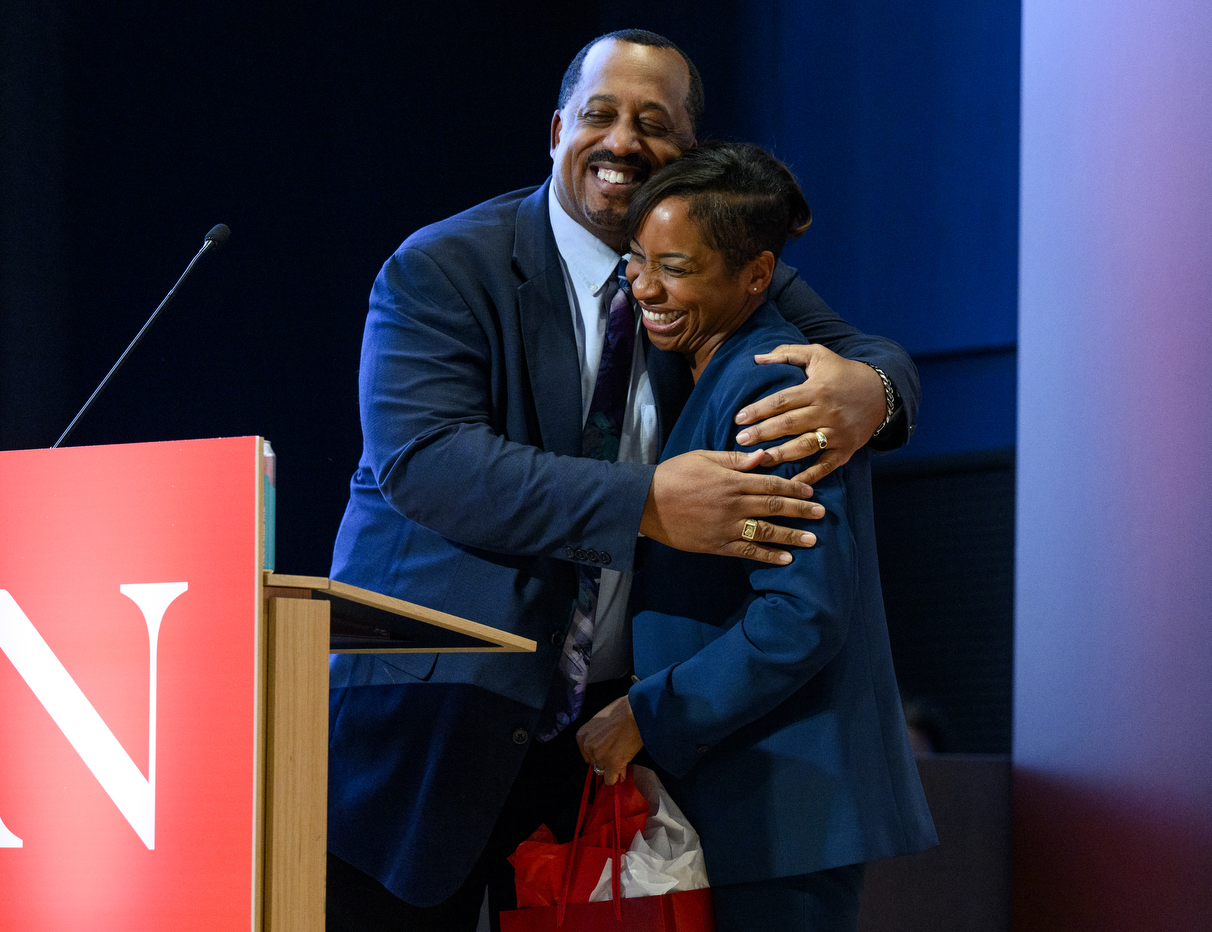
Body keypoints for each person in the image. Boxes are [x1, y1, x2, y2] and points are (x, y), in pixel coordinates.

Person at [326, 29, 921, 931]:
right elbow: (429, 463)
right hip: (434, 728)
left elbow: (862, 354)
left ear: (688, 157)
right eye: (599, 114)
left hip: (606, 738)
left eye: (654, 123)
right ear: (558, 126)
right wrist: (649, 504)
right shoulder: (443, 268)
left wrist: (874, 391)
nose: (621, 141)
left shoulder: (706, 268)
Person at [577, 142, 936, 931]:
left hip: (787, 809)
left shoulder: (769, 386)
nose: (644, 287)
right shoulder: (710, 364)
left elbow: (800, 615)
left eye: (675, 267)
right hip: (755, 800)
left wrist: (647, 712)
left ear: (757, 276)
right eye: (636, 260)